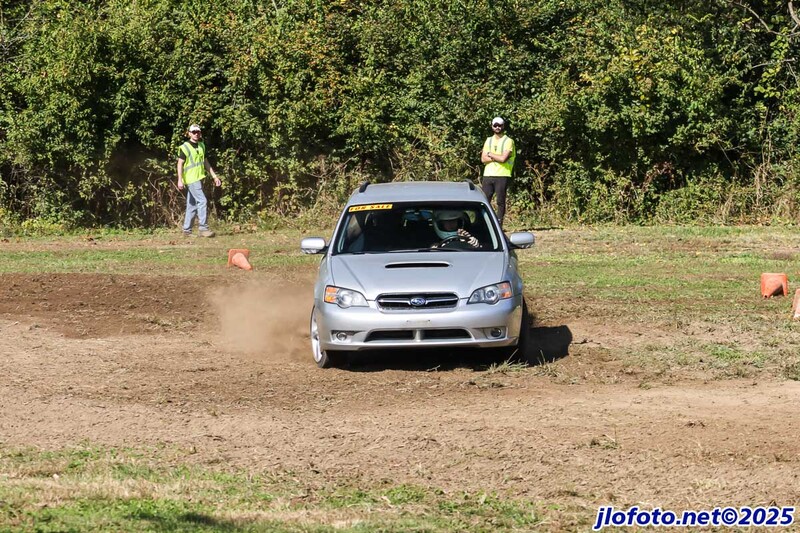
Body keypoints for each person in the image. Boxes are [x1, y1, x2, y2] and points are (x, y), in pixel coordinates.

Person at [177, 124, 221, 237]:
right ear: (189, 133)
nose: (196, 134)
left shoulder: (201, 145)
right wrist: (180, 180)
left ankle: (187, 230)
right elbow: (180, 164)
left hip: (198, 178)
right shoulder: (185, 147)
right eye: (194, 132)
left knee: (192, 204)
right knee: (202, 201)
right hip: (191, 179)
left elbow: (205, 162)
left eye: (198, 132)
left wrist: (214, 176)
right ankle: (203, 228)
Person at [481, 116, 515, 228]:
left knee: (500, 202)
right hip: (488, 174)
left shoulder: (508, 141)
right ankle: (484, 224)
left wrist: (490, 154)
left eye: (499, 125)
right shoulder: (488, 140)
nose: (497, 127)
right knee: (484, 202)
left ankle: (499, 225)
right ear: (492, 126)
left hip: (502, 174)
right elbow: (483, 159)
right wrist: (496, 157)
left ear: (503, 126)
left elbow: (503, 159)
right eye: (495, 125)